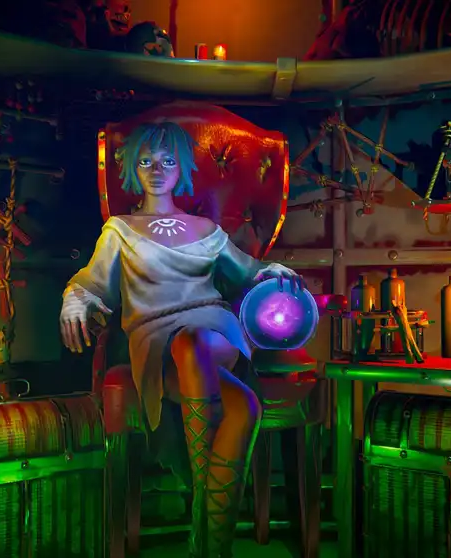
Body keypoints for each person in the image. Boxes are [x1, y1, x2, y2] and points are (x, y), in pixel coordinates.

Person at [60, 121, 301, 557]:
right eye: (146, 161)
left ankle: (201, 530)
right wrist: (74, 299)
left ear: (181, 168)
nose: (157, 169)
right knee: (244, 406)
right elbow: (92, 282)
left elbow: (248, 271)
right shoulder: (119, 229)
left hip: (214, 331)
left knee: (193, 341)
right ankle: (211, 544)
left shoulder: (205, 228)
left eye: (167, 160)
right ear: (133, 168)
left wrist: (272, 271)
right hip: (155, 340)